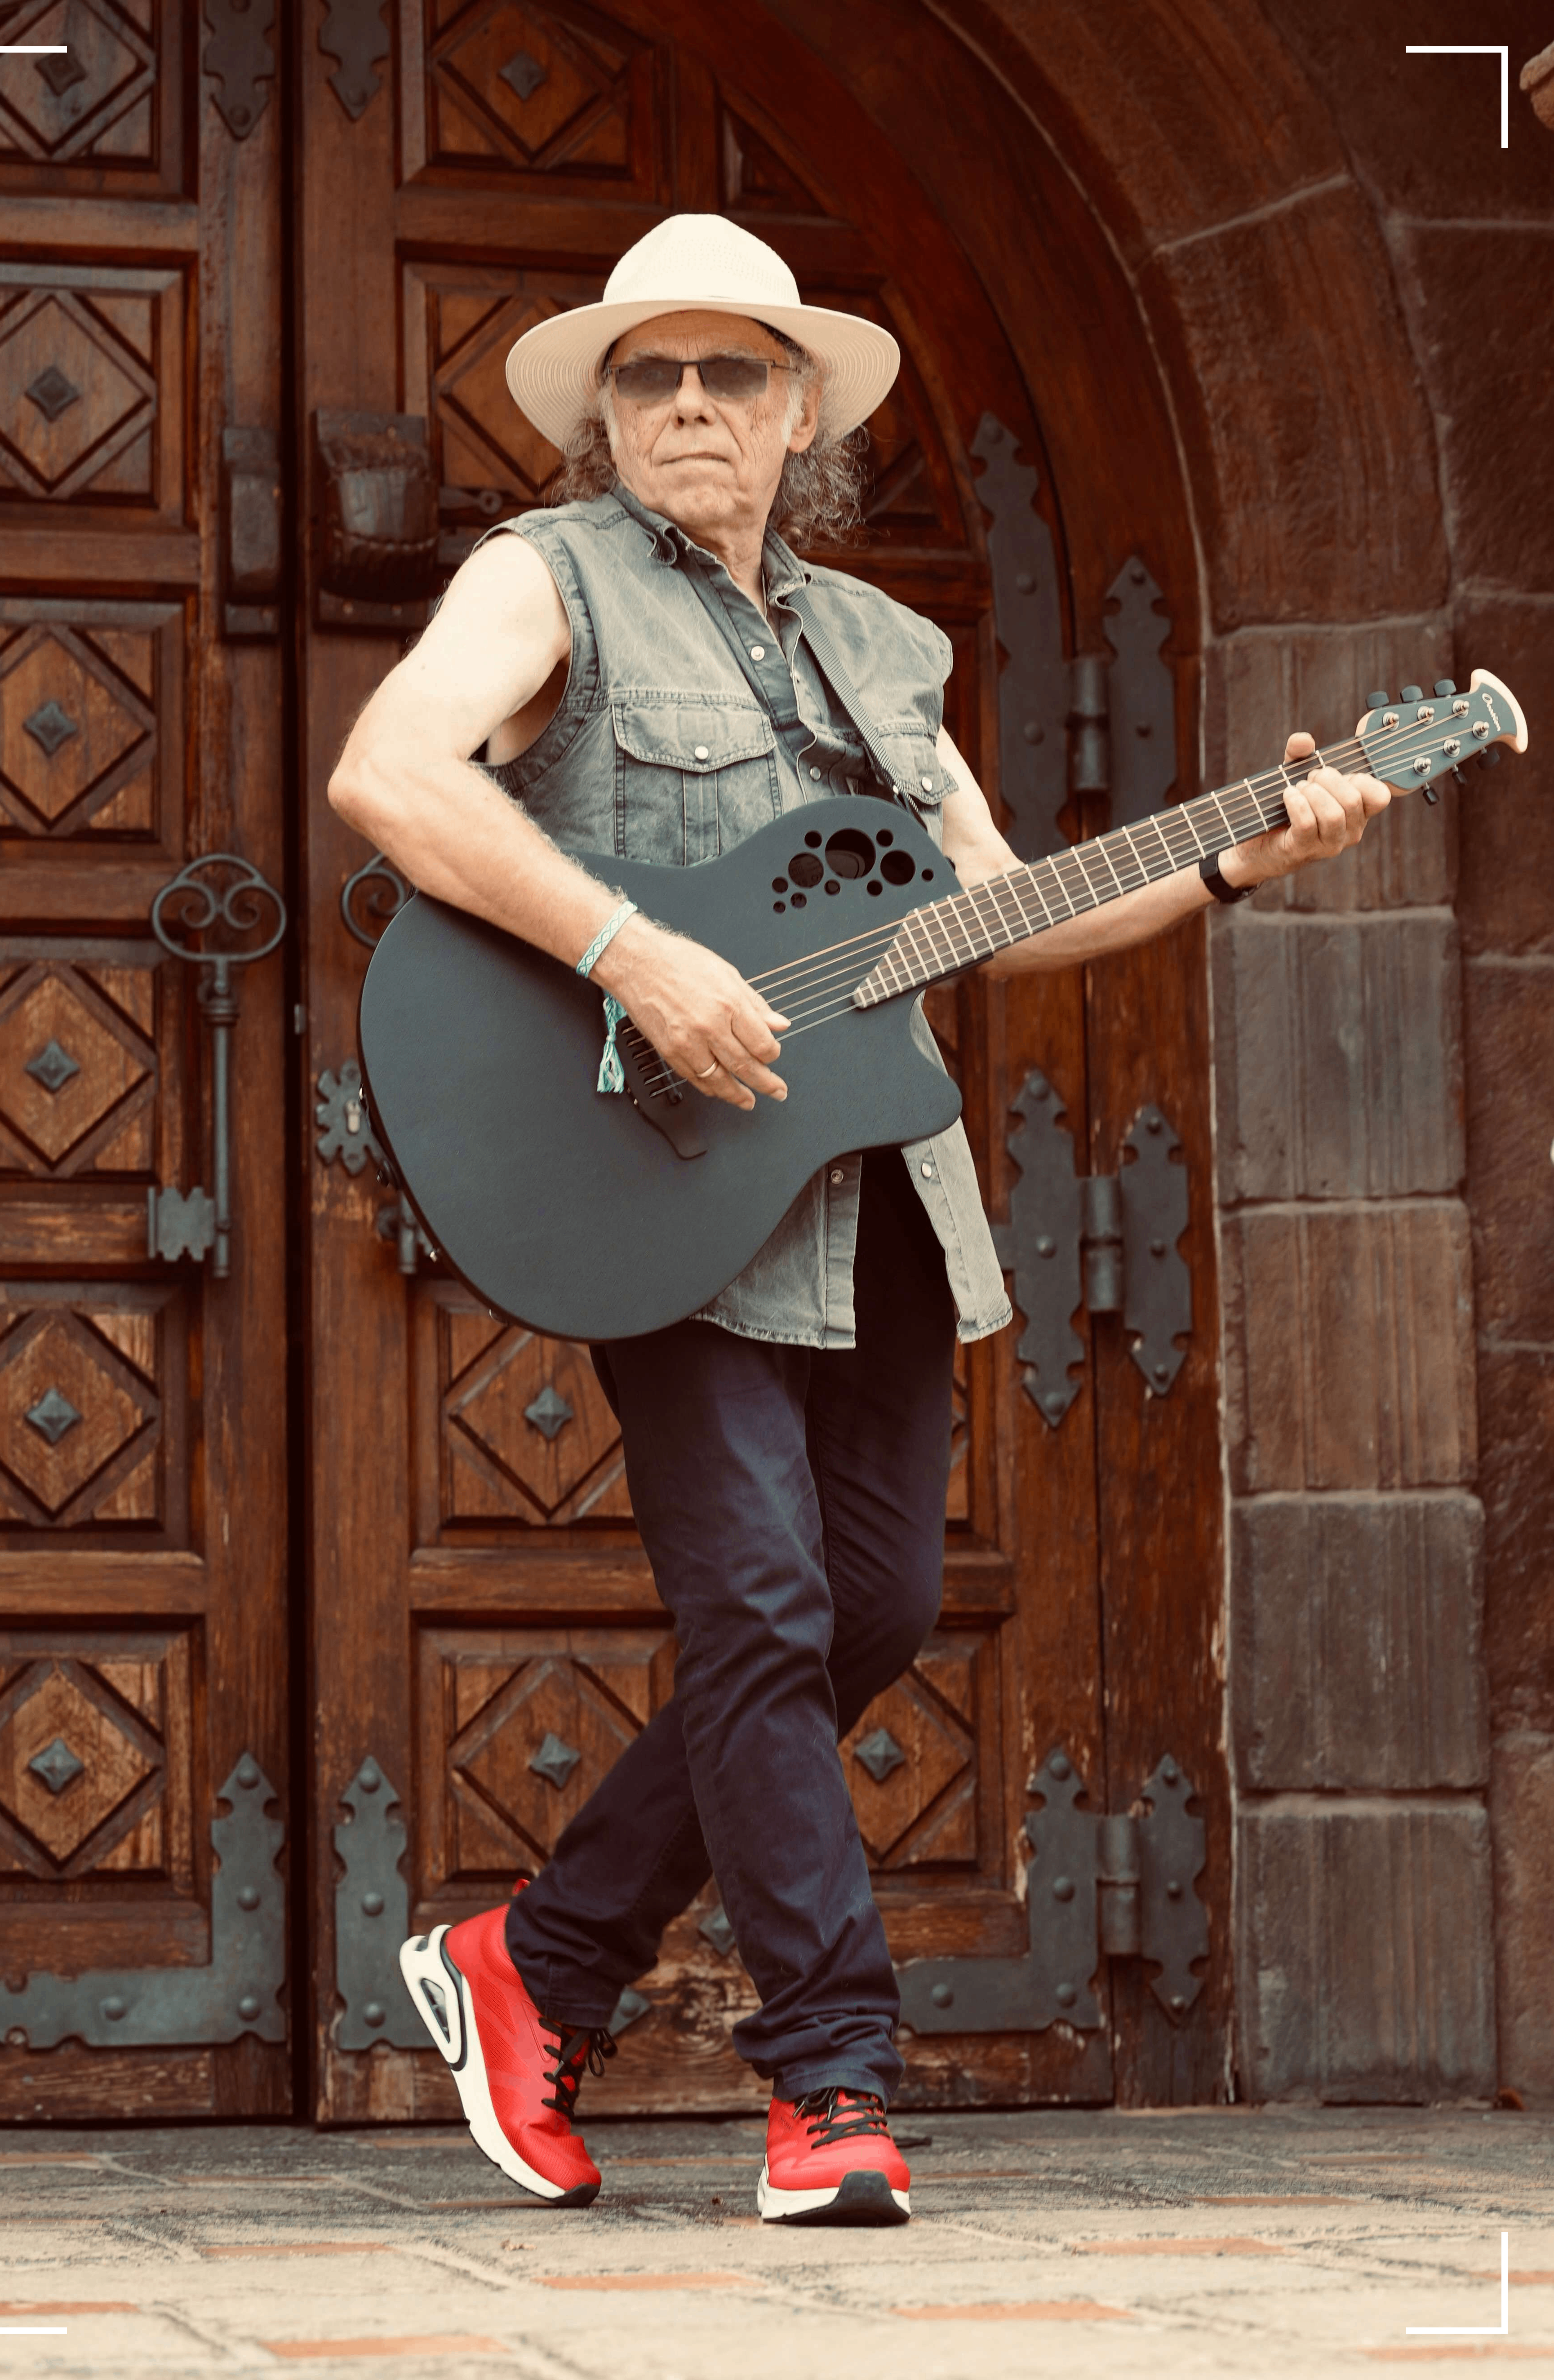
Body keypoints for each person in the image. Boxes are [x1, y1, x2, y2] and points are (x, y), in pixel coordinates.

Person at [327, 214, 1397, 2227]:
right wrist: (633, 950)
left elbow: (1001, 913)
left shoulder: (886, 650)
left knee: (875, 1607)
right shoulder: (543, 578)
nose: (690, 406)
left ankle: (540, 1953)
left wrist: (1239, 858)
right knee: (761, 1610)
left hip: (875, 1185)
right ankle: (829, 2082)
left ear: (799, 407)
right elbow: (391, 773)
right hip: (660, 1173)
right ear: (604, 416)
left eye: (730, 372)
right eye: (649, 376)